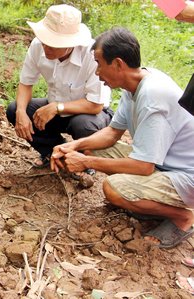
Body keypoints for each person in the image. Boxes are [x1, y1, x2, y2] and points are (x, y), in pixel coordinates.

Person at [51, 27, 194, 249]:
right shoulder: (134, 85)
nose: (97, 72)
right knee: (91, 149)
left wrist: (86, 163)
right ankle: (147, 204)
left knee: (113, 189)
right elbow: (111, 133)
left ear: (118, 64)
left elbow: (144, 166)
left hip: (185, 176)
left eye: (99, 63)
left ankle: (182, 217)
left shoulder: (152, 96)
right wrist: (75, 146)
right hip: (163, 163)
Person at [6, 4, 112, 170]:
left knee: (84, 125)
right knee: (15, 109)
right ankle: (54, 151)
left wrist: (57, 107)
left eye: (52, 44)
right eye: (44, 41)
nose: (45, 47)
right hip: (54, 106)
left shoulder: (92, 55)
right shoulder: (37, 46)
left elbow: (95, 105)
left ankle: (83, 161)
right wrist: (21, 112)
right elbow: (26, 83)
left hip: (89, 113)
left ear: (71, 43)